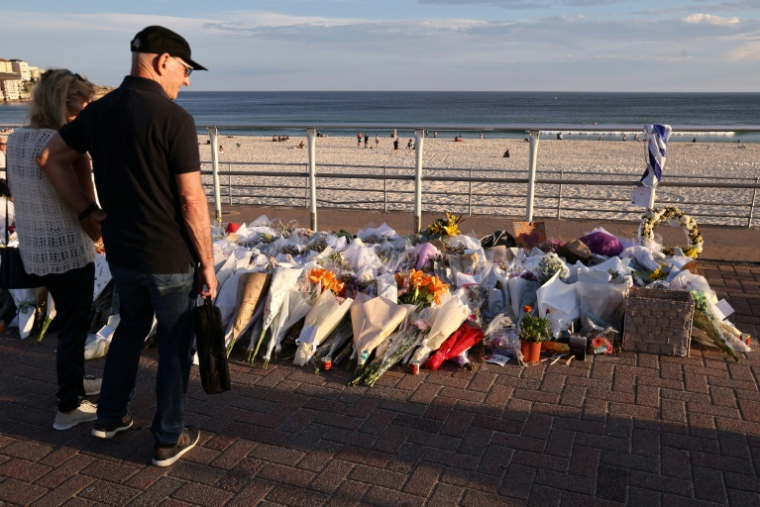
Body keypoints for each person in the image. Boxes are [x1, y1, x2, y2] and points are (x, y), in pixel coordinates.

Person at [37, 25, 217, 467]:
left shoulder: (100, 112)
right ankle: (166, 439)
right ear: (161, 61)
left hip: (123, 252)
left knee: (130, 329)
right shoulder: (175, 119)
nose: (187, 79)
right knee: (175, 345)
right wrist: (209, 265)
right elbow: (192, 199)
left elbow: (50, 159)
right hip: (169, 256)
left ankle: (109, 418)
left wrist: (87, 211)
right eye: (185, 68)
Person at [5, 70, 102, 431]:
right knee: (74, 327)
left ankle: (75, 383)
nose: (85, 116)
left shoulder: (16, 139)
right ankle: (68, 407)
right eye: (81, 110)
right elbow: (87, 207)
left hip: (36, 250)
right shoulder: (67, 144)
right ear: (64, 105)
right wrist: (99, 235)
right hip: (70, 250)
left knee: (69, 325)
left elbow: (16, 192)